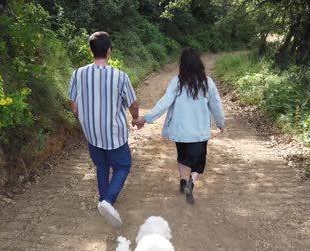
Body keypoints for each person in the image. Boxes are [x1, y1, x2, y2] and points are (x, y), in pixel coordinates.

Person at [68, 31, 141, 227]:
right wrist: (135, 118)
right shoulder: (120, 76)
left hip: (91, 133)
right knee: (123, 165)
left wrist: (84, 120)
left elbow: (74, 106)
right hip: (114, 133)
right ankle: (108, 201)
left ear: (92, 51)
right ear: (109, 51)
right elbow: (132, 103)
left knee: (101, 165)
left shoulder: (78, 73)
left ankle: (104, 200)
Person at [134, 47, 225, 204]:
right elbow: (216, 105)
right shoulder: (207, 83)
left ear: (182, 65)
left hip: (181, 131)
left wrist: (147, 118)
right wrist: (220, 122)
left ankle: (183, 181)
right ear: (199, 64)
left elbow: (164, 103)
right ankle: (191, 182)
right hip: (200, 132)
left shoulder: (177, 82)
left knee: (182, 156)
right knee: (198, 160)